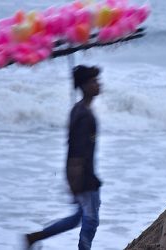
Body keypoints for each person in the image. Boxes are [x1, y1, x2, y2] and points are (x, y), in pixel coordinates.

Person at [25, 65, 103, 250]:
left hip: (83, 173)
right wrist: (75, 181)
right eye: (93, 81)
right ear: (83, 86)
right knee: (90, 221)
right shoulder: (83, 115)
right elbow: (76, 150)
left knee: (78, 217)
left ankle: (35, 237)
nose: (98, 84)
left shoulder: (79, 110)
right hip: (83, 176)